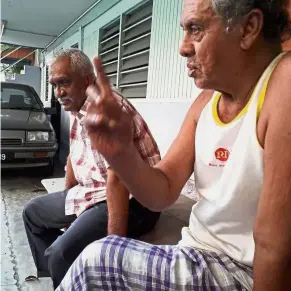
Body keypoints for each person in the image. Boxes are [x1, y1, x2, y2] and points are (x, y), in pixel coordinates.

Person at [57, 0, 291, 290]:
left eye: (195, 29)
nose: (182, 47)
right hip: (196, 253)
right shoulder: (207, 102)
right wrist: (121, 153)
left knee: (98, 259)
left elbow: (273, 247)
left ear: (248, 29)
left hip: (243, 272)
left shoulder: (284, 84)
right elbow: (163, 190)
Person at [22, 49, 161, 288]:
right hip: (93, 192)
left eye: (64, 83)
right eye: (54, 85)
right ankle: (63, 280)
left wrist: (110, 250)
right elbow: (74, 161)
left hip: (134, 200)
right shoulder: (78, 108)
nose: (59, 93)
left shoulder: (105, 112)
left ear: (87, 79)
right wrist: (67, 206)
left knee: (60, 253)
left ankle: (69, 272)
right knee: (32, 213)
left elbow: (118, 181)